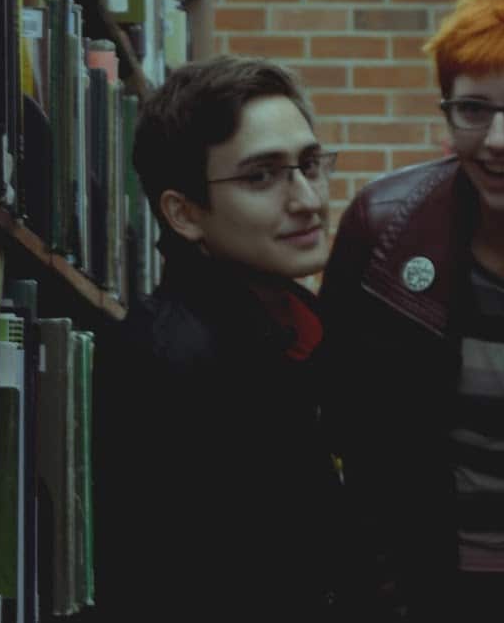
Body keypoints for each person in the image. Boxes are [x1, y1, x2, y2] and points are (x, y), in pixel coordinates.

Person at [317, 0, 504, 622]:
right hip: (421, 590)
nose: (498, 139)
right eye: (472, 110)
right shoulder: (384, 228)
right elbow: (338, 419)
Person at [91, 55, 379, 621]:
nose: (307, 200)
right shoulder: (167, 361)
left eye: (310, 164)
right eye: (261, 176)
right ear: (185, 213)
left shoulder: (300, 327)